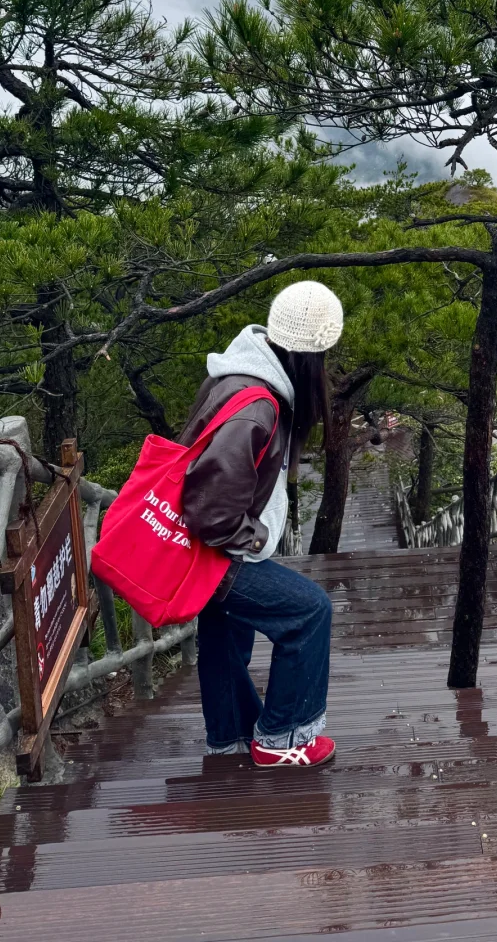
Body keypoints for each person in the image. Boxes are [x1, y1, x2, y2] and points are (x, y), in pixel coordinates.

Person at [180, 280, 343, 767]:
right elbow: (212, 514)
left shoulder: (241, 374)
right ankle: (285, 738)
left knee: (225, 634)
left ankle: (230, 736)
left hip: (201, 548)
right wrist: (255, 538)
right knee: (309, 612)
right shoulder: (257, 407)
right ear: (309, 357)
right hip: (217, 550)